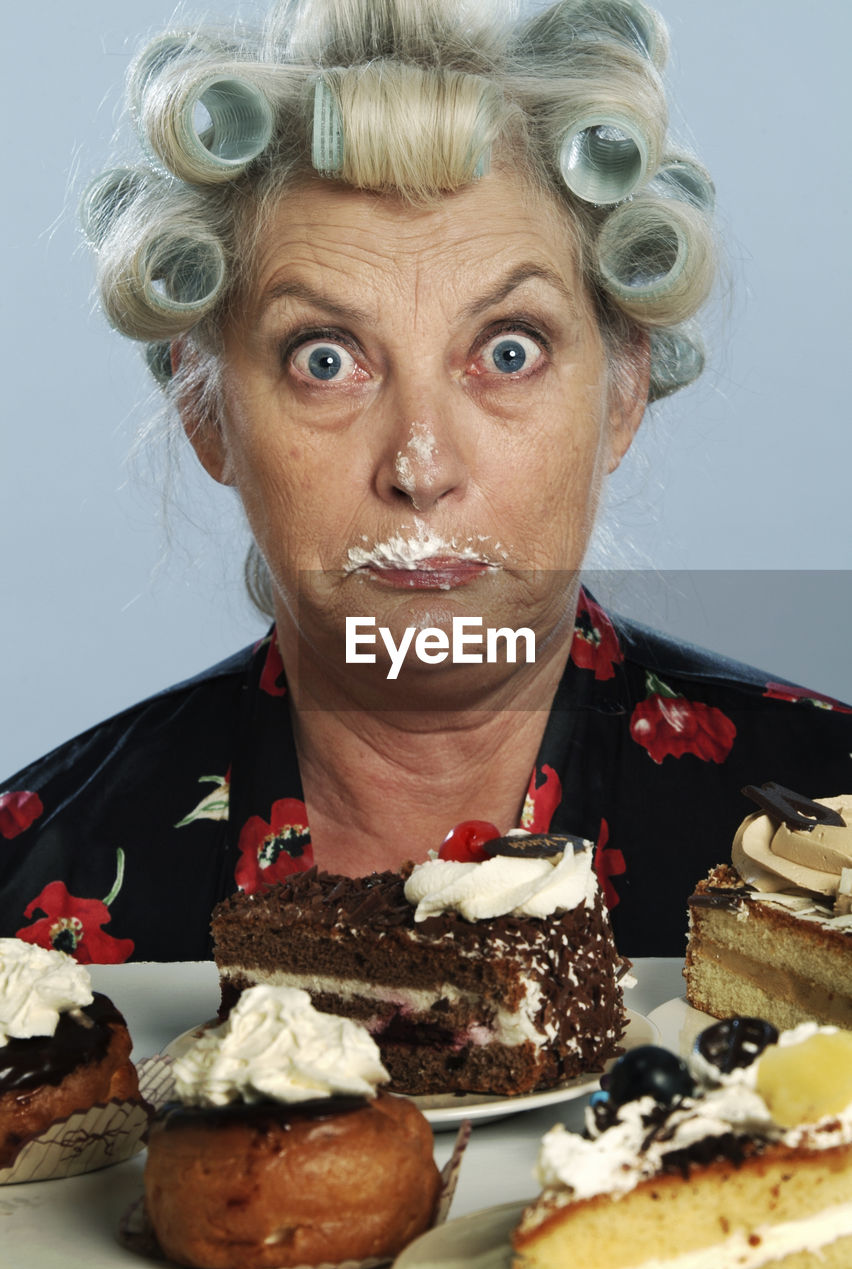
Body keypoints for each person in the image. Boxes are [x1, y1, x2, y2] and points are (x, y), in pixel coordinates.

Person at [1, 0, 850, 963]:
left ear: (622, 392)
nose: (421, 467)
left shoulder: (834, 821)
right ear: (209, 417)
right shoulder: (26, 888)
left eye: (509, 350)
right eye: (324, 360)